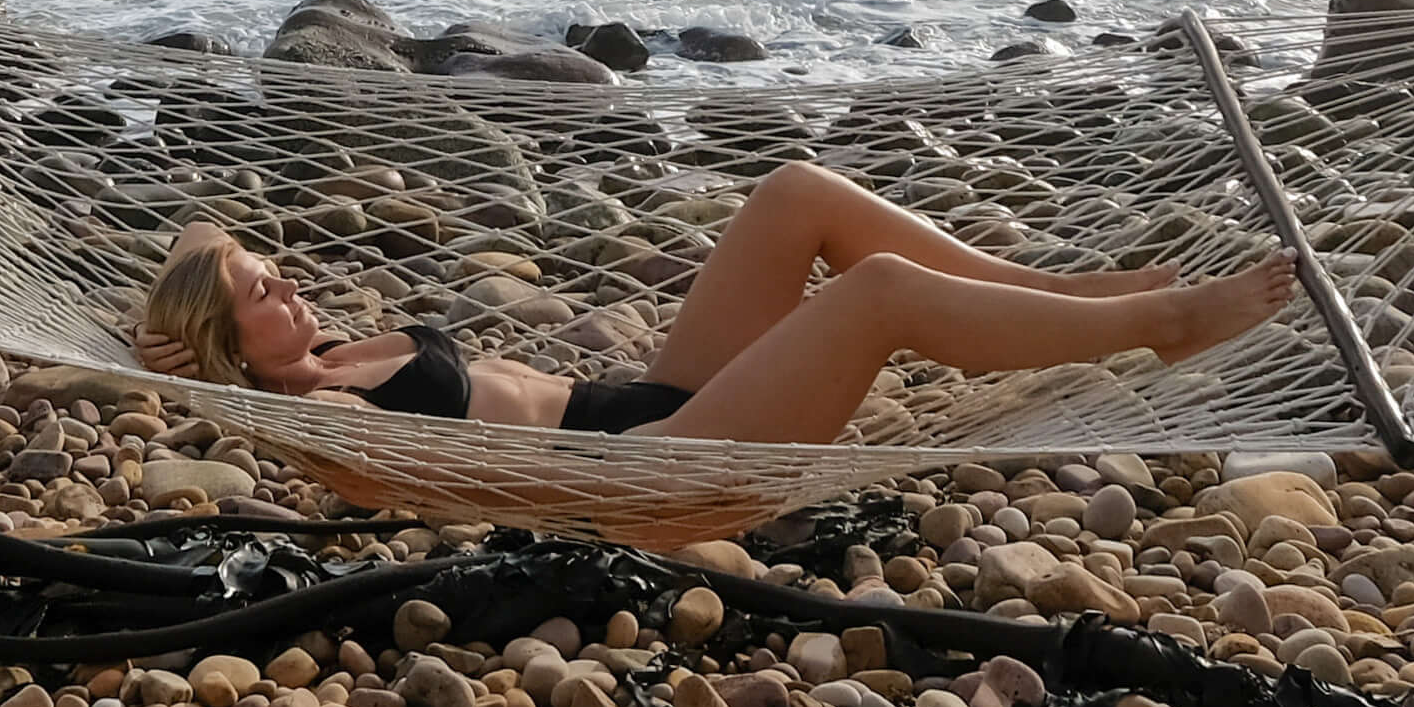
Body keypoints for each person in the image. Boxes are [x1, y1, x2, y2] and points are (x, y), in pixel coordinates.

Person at [130, 162, 1305, 449]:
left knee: (793, 192)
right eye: (261, 292)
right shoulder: (317, 418)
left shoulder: (327, 353)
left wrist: (196, 288)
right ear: (228, 345)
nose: (287, 280)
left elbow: (195, 236)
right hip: (654, 468)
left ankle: (1073, 293)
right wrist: (182, 357)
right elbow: (217, 370)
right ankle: (1162, 322)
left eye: (273, 268)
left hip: (649, 401)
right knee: (883, 294)